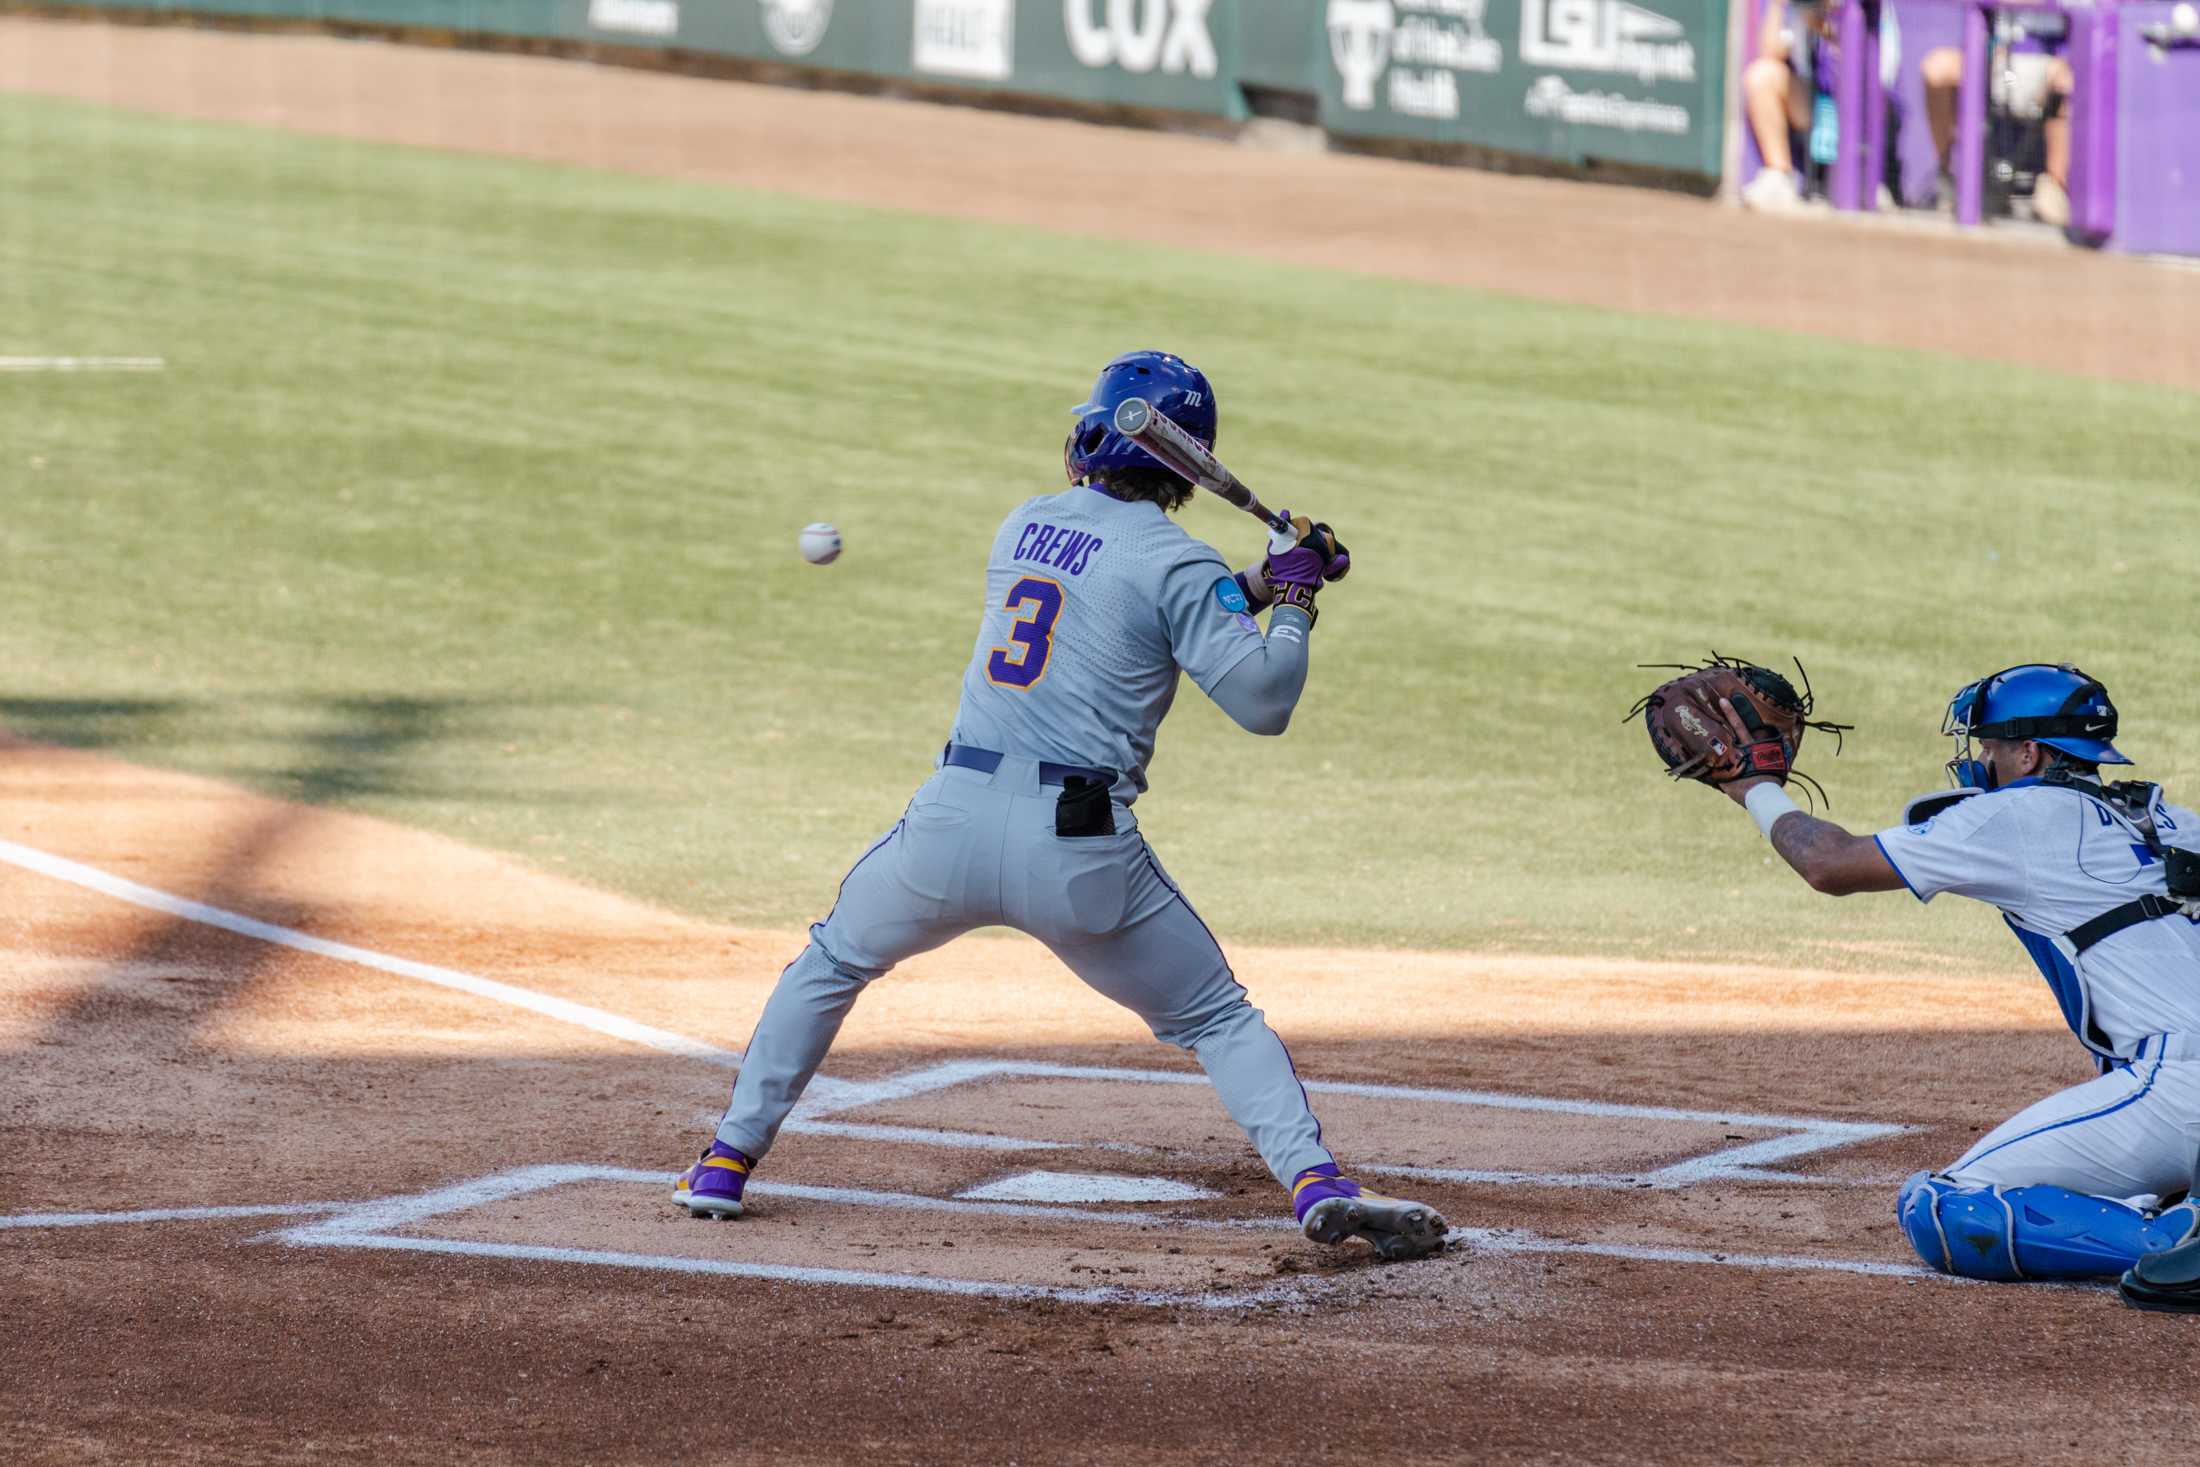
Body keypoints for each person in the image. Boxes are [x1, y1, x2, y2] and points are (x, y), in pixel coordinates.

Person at [670, 351, 1450, 1262]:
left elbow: (1122, 608)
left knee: (834, 959)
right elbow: (1263, 701)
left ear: (1092, 436)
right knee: (1214, 1019)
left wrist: (1258, 585)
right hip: (1076, 849)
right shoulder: (1180, 564)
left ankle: (727, 1160)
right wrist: (1296, 601)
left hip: (950, 824)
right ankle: (1314, 1180)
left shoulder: (1026, 525)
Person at [1712, 663, 2200, 1281]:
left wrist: (1754, 787)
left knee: (1948, 1207)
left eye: (1989, 746)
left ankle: (2177, 1247)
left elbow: (1828, 863)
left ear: (2027, 754)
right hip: (2180, 1094)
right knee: (2129, 1192)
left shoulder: (2020, 815)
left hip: (2179, 1089)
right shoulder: (2172, 822)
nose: (1980, 760)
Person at [1920, 29, 2072, 225]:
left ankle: (2054, 186)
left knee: (2068, 80)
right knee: (1937, 67)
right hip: (1999, 65)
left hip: (2047, 63)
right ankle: (1949, 178)